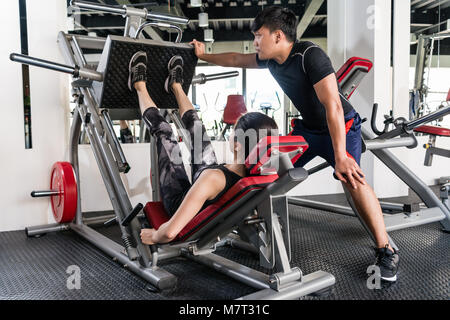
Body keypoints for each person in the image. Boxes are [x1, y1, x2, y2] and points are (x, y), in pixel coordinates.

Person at [190, 6, 399, 283]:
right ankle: (254, 227)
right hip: (309, 129)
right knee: (270, 174)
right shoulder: (271, 60)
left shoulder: (309, 55)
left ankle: (386, 250)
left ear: (278, 36)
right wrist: (204, 55)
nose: (254, 42)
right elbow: (235, 58)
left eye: (258, 35)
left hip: (340, 125)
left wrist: (340, 156)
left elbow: (333, 106)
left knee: (352, 179)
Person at [126, 51, 278, 245]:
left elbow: (170, 232)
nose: (231, 133)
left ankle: (138, 85)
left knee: (164, 132)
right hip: (211, 186)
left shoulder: (213, 178)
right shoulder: (260, 173)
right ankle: (175, 85)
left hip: (180, 200)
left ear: (237, 144)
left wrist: (155, 235)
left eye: (233, 130)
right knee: (197, 128)